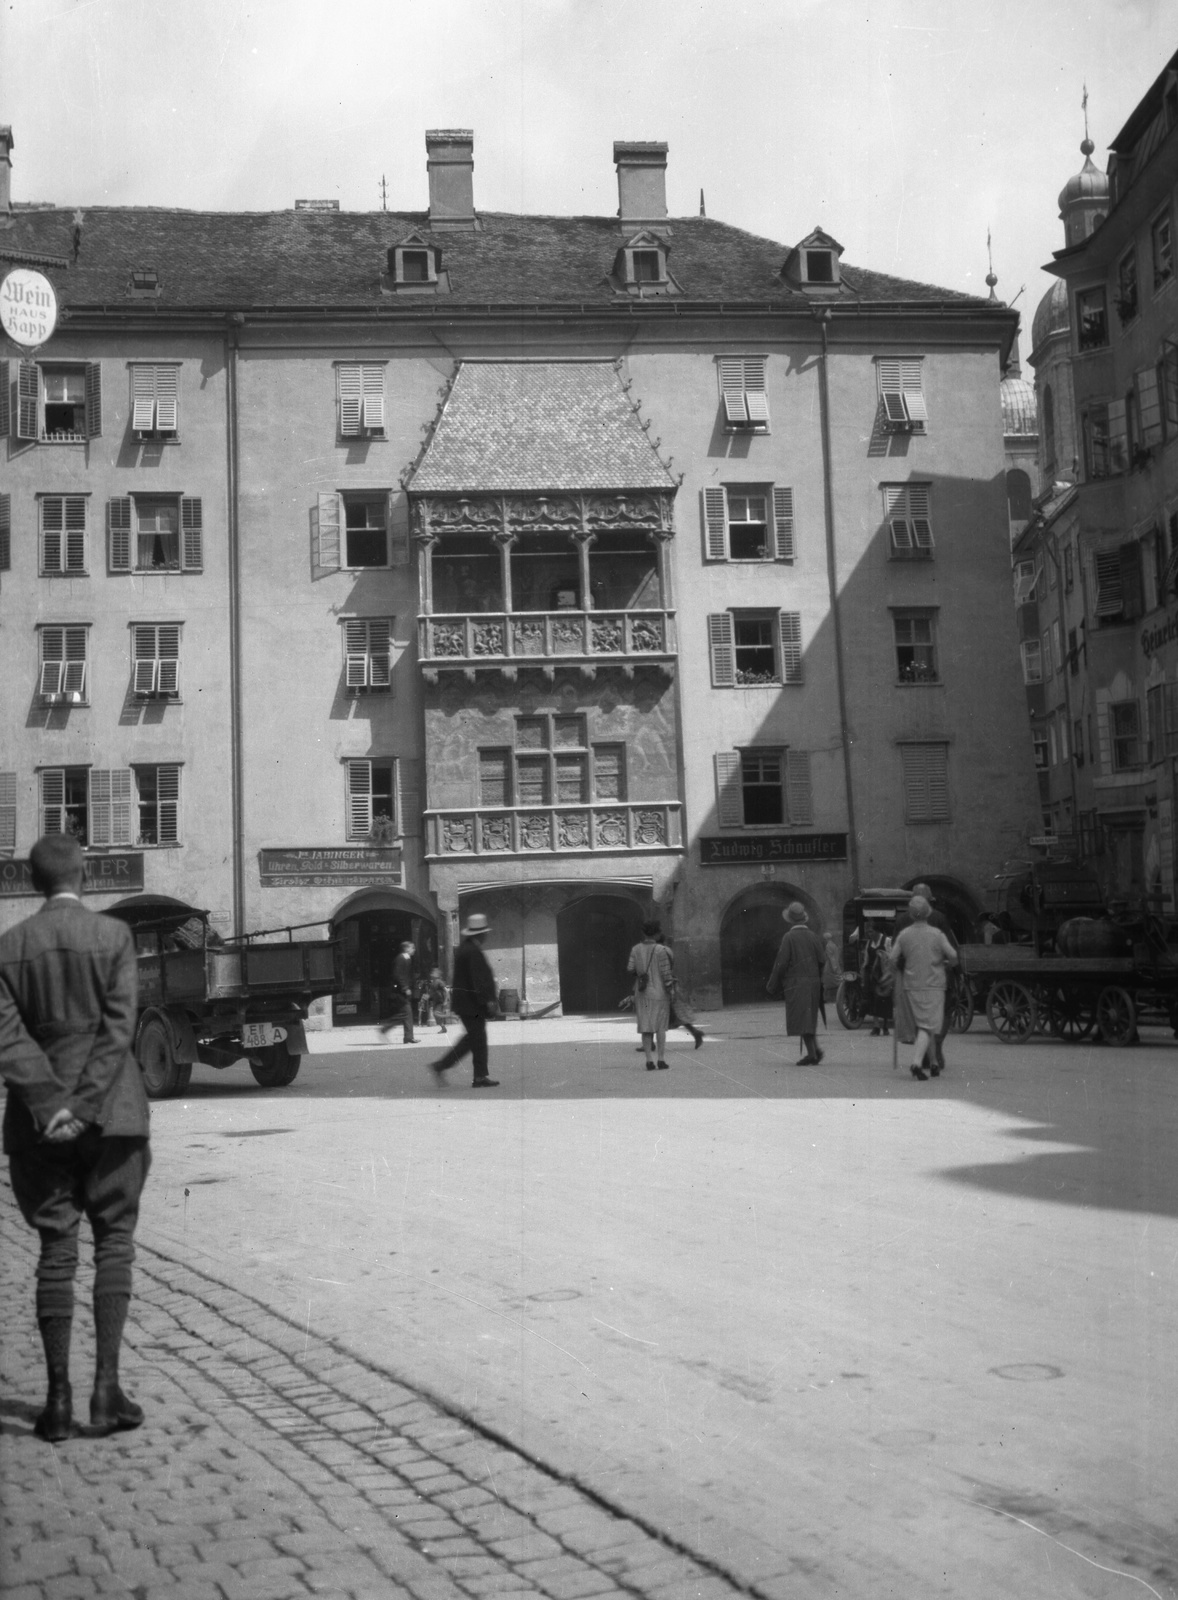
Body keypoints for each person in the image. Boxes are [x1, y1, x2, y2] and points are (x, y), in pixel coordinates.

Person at [0, 834, 151, 1443]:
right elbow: (120, 1031)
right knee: (114, 1242)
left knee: (56, 1249)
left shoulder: (9, 948)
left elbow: (7, 1039)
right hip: (113, 1116)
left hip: (40, 1129)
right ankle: (106, 1390)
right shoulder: (114, 938)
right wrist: (86, 1107)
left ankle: (57, 1401)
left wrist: (50, 1105)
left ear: (34, 881)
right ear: (83, 874)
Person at [889, 895, 959, 1081]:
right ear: (928, 913)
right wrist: (945, 964)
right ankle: (917, 1063)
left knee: (924, 1024)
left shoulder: (904, 935)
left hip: (911, 984)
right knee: (928, 1025)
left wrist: (900, 970)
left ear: (911, 916)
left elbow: (892, 958)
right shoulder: (937, 934)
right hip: (934, 984)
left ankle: (934, 1063)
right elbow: (953, 955)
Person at [430, 914, 499, 1087]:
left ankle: (479, 1076)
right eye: (484, 933)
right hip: (472, 1004)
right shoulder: (473, 951)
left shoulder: (466, 948)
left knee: (475, 1039)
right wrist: (487, 1000)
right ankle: (443, 1066)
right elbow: (478, 980)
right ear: (479, 934)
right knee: (476, 1039)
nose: (486, 936)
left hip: (468, 1004)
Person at [766, 903, 829, 1065]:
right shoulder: (813, 936)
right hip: (813, 983)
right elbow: (822, 960)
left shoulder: (789, 937)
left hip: (796, 983)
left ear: (790, 920)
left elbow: (781, 963)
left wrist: (772, 984)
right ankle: (815, 1050)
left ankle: (812, 1054)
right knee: (810, 1018)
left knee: (802, 1019)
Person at [628, 919, 674, 1070]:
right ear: (657, 933)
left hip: (642, 994)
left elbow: (630, 969)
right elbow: (666, 973)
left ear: (644, 932)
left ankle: (649, 1060)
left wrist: (642, 973)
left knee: (646, 1027)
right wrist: (671, 990)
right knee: (661, 1027)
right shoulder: (661, 950)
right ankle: (661, 1059)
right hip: (660, 994)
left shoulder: (635, 949)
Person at [379, 940, 416, 1044]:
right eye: (412, 948)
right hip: (400, 992)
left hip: (403, 991)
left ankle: (408, 1037)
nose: (414, 950)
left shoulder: (407, 959)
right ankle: (385, 1029)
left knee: (407, 1013)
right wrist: (405, 988)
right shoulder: (401, 958)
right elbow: (397, 975)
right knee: (405, 1013)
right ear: (406, 948)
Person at [417, 966, 449, 1033]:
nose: (431, 974)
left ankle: (447, 1017)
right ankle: (443, 1028)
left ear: (437, 974)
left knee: (436, 1013)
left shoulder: (439, 981)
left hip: (440, 1001)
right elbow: (431, 994)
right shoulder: (433, 983)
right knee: (435, 1015)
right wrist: (424, 998)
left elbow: (446, 990)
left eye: (433, 973)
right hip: (435, 1001)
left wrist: (446, 1000)